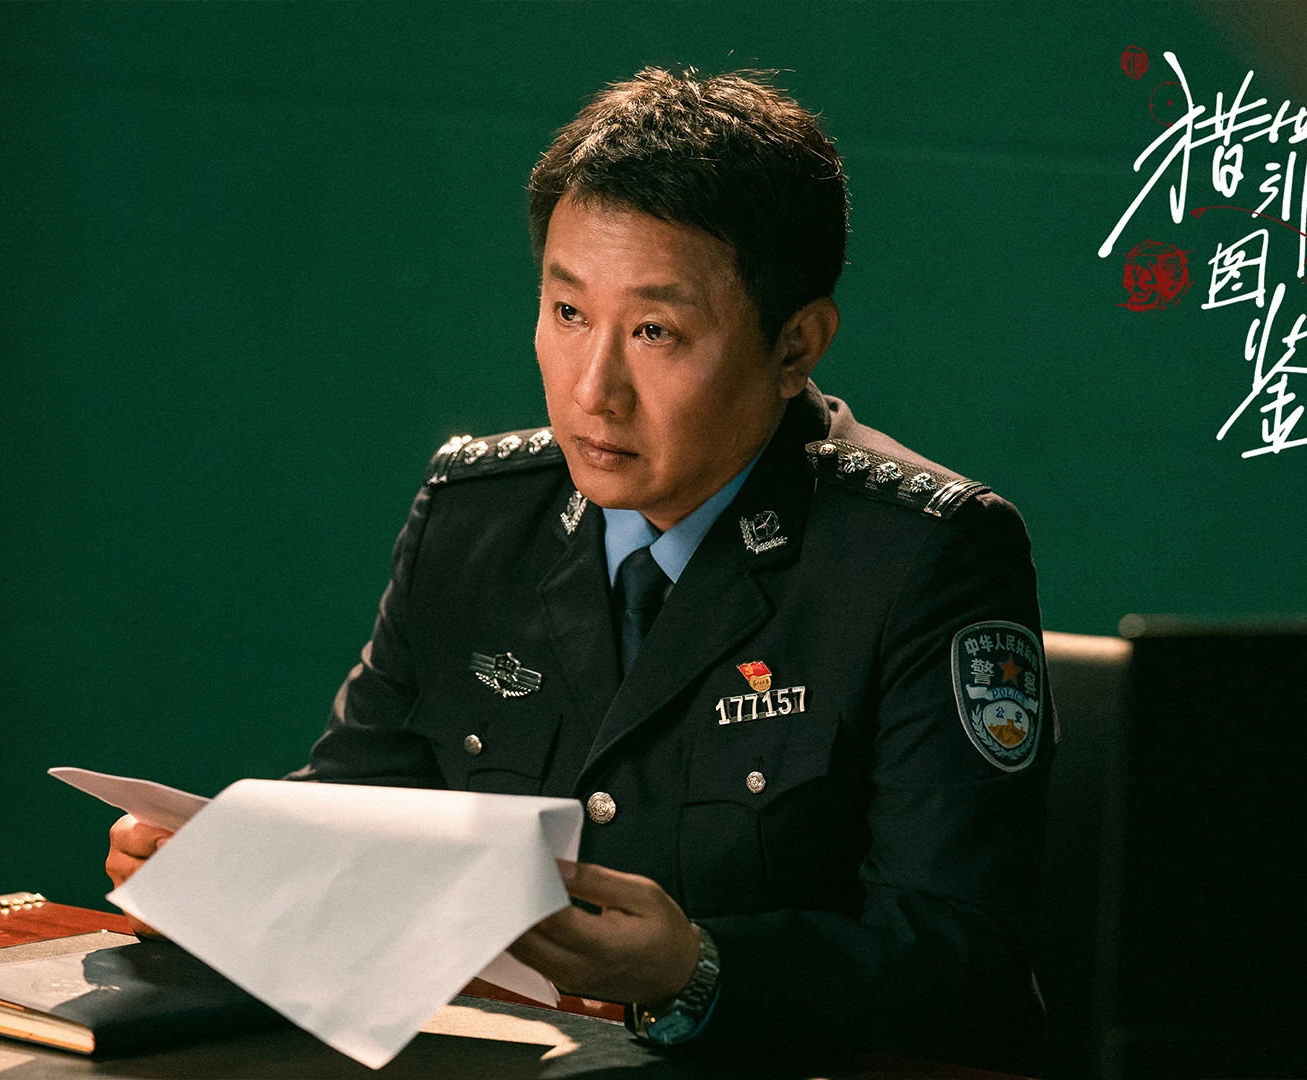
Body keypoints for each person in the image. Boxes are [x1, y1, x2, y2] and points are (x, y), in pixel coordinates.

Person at [108, 66, 1053, 1072]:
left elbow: (966, 969)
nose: (594, 389)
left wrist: (695, 970)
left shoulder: (923, 555)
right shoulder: (474, 520)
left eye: (654, 331)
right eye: (567, 313)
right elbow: (354, 817)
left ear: (795, 346)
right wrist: (222, 876)